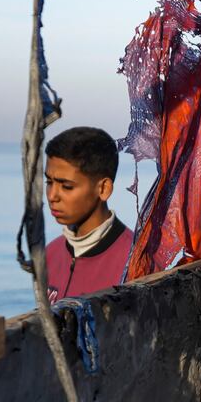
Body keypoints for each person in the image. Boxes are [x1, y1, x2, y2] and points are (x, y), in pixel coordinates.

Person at [43, 127, 133, 301]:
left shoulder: (134, 263)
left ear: (103, 188)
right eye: (49, 182)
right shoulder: (49, 255)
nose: (52, 196)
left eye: (66, 186)